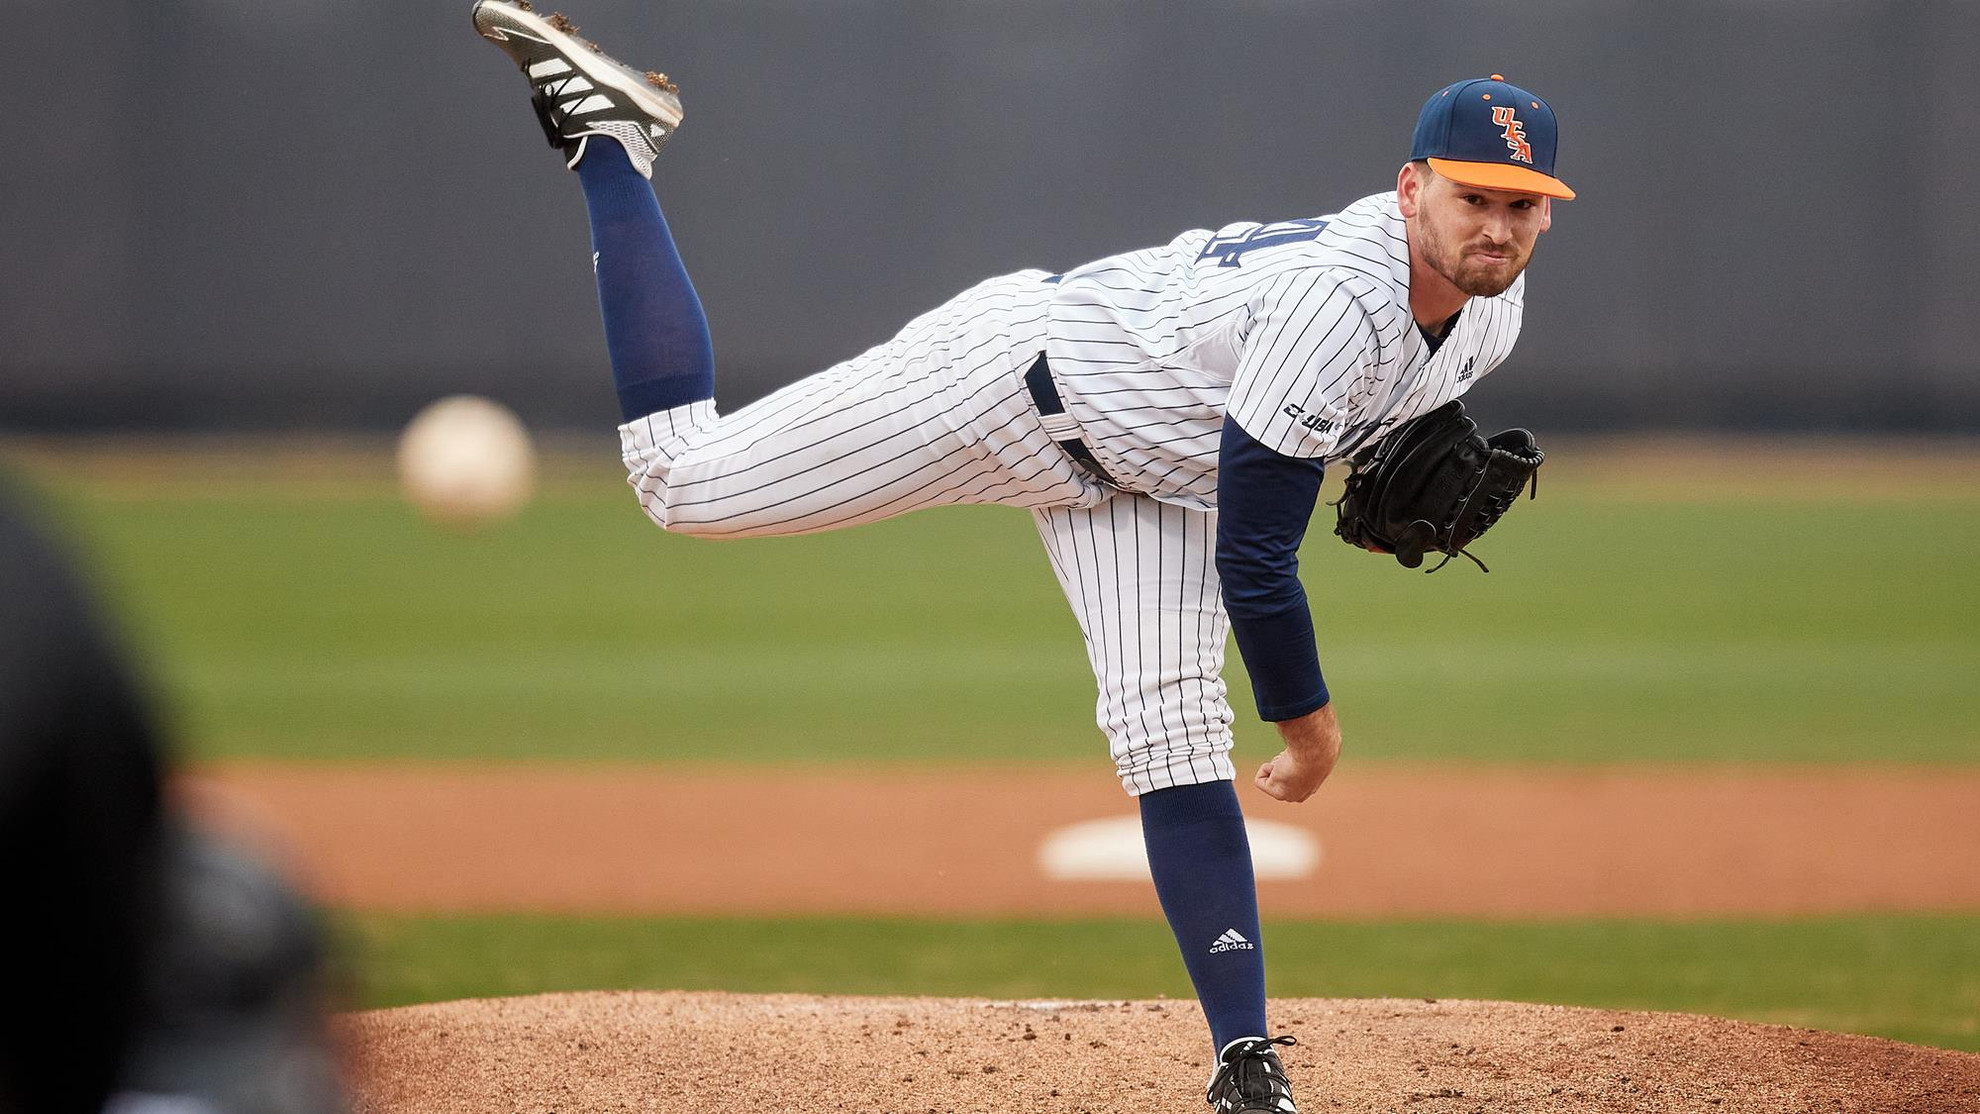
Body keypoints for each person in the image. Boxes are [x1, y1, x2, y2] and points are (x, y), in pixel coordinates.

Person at [471, 5, 1574, 1109]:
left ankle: (1247, 1064)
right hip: (1013, 387)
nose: (1497, 226)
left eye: (1521, 206)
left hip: (1159, 478)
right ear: (1409, 187)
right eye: (1473, 195)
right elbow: (1255, 555)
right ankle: (615, 141)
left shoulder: (1494, 310)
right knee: (684, 482)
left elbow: (1328, 433)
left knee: (1172, 730)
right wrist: (1310, 724)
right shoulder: (1340, 298)